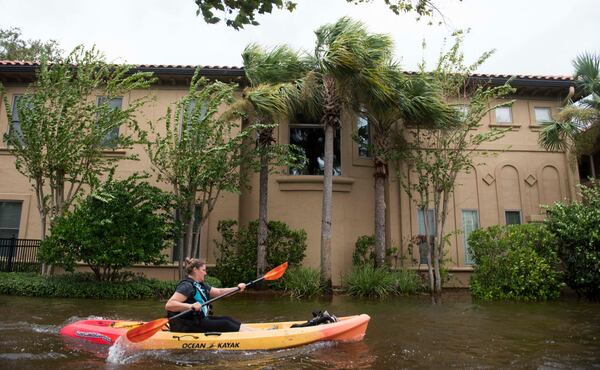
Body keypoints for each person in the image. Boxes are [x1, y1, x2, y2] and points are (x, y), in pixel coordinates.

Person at [165, 257, 250, 332]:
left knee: (228, 319)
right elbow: (169, 305)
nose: (205, 273)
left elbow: (219, 292)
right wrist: (190, 306)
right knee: (226, 323)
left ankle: (253, 333)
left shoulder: (201, 285)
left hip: (198, 321)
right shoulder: (187, 286)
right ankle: (250, 336)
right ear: (195, 269)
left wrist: (237, 288)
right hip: (187, 325)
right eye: (203, 270)